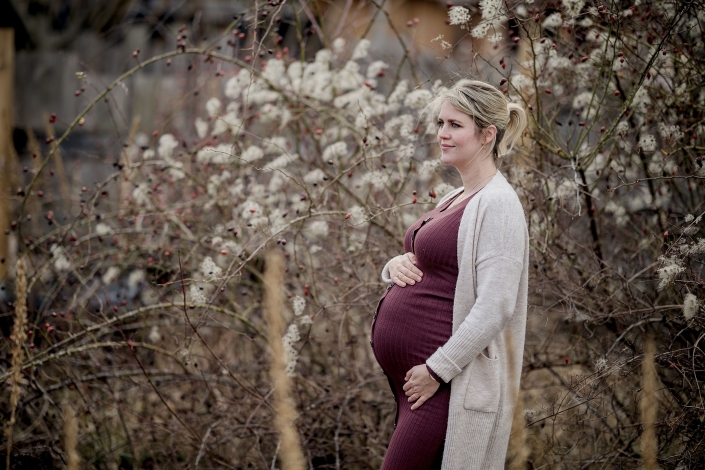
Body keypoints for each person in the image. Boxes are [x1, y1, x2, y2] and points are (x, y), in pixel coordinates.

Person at [369, 79, 529, 470]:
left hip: (444, 387)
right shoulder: (457, 197)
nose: (442, 134)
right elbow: (435, 265)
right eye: (441, 123)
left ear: (487, 134)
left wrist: (438, 370)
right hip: (420, 387)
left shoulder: (499, 205)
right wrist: (394, 267)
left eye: (455, 125)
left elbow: (497, 304)